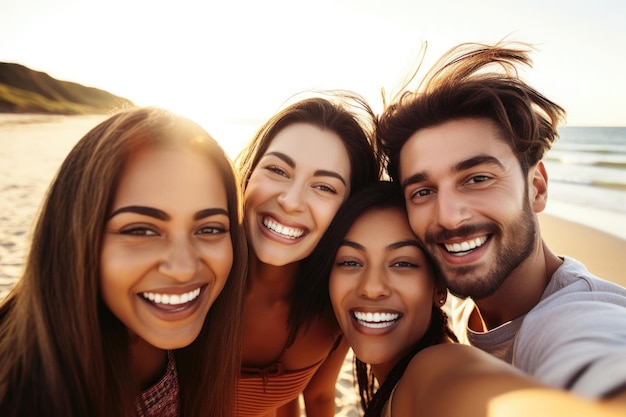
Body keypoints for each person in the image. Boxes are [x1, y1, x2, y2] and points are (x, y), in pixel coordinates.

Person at [377, 41, 626, 401]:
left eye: (477, 178)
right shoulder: (455, 306)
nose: (448, 216)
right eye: (423, 191)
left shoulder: (575, 318)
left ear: (537, 188)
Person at [0, 107, 248, 417]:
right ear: (75, 237)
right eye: (141, 230)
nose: (184, 268)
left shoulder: (204, 339)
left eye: (209, 229)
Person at [311, 181, 626, 417]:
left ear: (439, 289)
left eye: (403, 263)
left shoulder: (434, 367)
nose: (372, 288)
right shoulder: (356, 355)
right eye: (350, 262)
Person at [234, 92, 381, 417]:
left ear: (348, 210)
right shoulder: (198, 280)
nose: (291, 200)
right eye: (277, 170)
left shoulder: (336, 306)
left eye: (324, 187)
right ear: (249, 172)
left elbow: (317, 397)